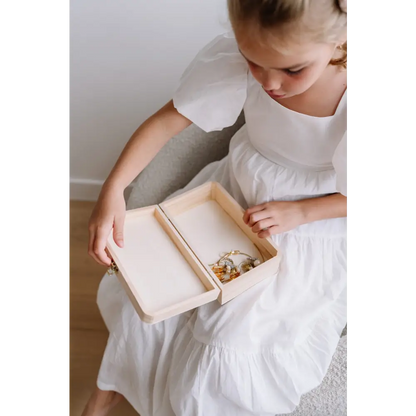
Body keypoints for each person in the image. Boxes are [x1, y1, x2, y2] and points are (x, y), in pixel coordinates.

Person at [82, 0, 350, 415]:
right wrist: (113, 189)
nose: (269, 83)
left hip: (312, 221)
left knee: (227, 344)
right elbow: (167, 121)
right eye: (253, 62)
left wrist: (301, 212)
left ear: (339, 39)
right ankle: (113, 385)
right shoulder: (241, 58)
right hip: (230, 194)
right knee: (152, 301)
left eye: (292, 70)